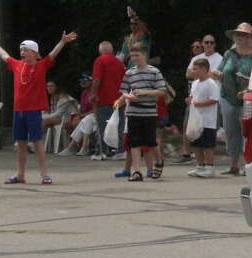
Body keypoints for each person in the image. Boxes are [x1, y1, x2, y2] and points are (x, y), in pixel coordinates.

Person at [0, 31, 78, 185]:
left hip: (33, 110)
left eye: (26, 50)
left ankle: (44, 175)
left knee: (37, 142)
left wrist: (62, 41)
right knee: (21, 143)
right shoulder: (17, 65)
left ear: (35, 53)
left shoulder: (41, 65)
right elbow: (4, 55)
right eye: (21, 50)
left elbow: (53, 54)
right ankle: (20, 174)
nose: (22, 53)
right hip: (18, 111)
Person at [212, 22, 252, 176]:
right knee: (230, 131)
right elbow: (220, 70)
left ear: (250, 38)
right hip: (228, 97)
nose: (240, 37)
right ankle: (233, 165)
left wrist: (248, 90)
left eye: (244, 35)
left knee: (247, 132)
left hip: (247, 98)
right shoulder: (229, 53)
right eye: (238, 34)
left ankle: (248, 165)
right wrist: (217, 74)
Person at [117, 45, 166, 181]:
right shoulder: (129, 73)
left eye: (137, 55)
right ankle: (137, 171)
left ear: (144, 55)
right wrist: (127, 97)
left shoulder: (154, 71)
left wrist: (144, 92)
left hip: (149, 112)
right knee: (134, 142)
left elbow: (162, 91)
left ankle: (159, 161)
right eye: (132, 56)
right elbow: (123, 90)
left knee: (151, 141)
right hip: (133, 111)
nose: (134, 58)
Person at [178, 35, 224, 164]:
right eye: (206, 42)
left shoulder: (219, 59)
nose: (208, 44)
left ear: (214, 44)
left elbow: (219, 76)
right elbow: (188, 74)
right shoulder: (196, 60)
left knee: (208, 137)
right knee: (191, 130)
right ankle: (197, 163)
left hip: (208, 108)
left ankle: (209, 165)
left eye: (211, 42)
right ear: (202, 44)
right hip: (195, 106)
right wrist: (210, 73)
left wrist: (207, 74)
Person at [91, 41, 126, 161]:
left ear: (101, 50)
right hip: (119, 98)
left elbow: (96, 79)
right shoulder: (119, 62)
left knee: (102, 126)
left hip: (104, 99)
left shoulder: (100, 61)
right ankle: (120, 151)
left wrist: (93, 94)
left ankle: (100, 152)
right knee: (119, 126)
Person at [185, 58, 220, 178]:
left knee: (207, 145)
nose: (193, 71)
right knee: (196, 143)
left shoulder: (211, 83)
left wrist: (199, 104)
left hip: (207, 121)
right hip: (195, 119)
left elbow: (214, 100)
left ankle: (209, 167)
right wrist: (189, 101)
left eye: (196, 69)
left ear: (204, 69)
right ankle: (200, 166)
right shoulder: (195, 83)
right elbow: (192, 97)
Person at [42, 80, 79, 150]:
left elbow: (57, 114)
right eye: (47, 86)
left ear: (56, 87)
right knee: (37, 121)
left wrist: (42, 117)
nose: (49, 88)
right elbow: (50, 112)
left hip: (68, 118)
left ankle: (35, 144)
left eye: (51, 86)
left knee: (43, 121)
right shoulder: (52, 97)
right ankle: (37, 144)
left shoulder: (63, 98)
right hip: (60, 118)